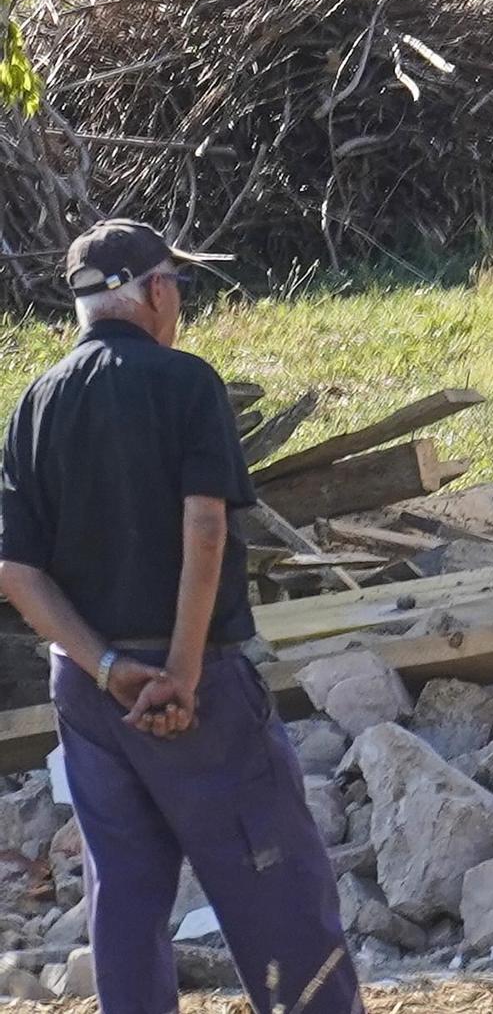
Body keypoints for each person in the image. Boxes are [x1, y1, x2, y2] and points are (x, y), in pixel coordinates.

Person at [0, 221, 360, 1014]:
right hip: (200, 689)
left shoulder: (34, 403)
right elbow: (206, 528)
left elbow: (16, 572)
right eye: (178, 285)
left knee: (124, 897)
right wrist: (183, 673)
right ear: (155, 290)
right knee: (278, 887)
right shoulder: (187, 383)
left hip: (92, 694)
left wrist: (104, 667)